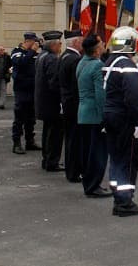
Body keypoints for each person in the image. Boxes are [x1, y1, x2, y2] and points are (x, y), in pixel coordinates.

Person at [103, 26, 138, 216]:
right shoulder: (126, 65)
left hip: (110, 115)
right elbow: (133, 97)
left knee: (116, 159)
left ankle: (118, 195)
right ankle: (124, 201)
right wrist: (137, 122)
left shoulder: (109, 62)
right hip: (124, 119)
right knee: (127, 161)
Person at [76, 34, 112, 198]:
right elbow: (101, 94)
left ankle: (89, 184)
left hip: (83, 112)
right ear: (97, 50)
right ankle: (93, 186)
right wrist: (105, 116)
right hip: (94, 114)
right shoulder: (98, 65)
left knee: (87, 151)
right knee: (97, 153)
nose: (104, 44)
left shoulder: (82, 62)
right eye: (101, 43)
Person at [35, 31, 64, 172]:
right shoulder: (52, 59)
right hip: (52, 102)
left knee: (48, 132)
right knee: (55, 134)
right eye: (59, 44)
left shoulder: (41, 56)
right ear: (53, 45)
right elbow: (54, 82)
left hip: (43, 101)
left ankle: (46, 159)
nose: (61, 46)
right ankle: (52, 161)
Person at [59, 29, 83, 183]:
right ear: (75, 42)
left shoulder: (64, 56)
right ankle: (74, 172)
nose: (83, 43)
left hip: (67, 103)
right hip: (74, 104)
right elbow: (77, 84)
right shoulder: (74, 59)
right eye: (81, 40)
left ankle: (71, 169)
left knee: (70, 138)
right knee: (75, 139)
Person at [10, 33, 41, 155]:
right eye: (34, 43)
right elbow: (20, 63)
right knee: (19, 118)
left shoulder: (34, 54)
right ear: (28, 41)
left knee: (31, 118)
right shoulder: (17, 52)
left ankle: (30, 141)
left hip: (33, 89)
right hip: (21, 90)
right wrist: (31, 52)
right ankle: (16, 143)